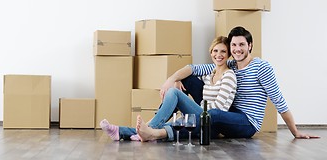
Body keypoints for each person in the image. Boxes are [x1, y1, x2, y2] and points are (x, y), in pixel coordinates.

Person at [159, 26, 319, 139]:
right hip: (228, 113)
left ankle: (163, 131)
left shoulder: (261, 67)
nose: (237, 49)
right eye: (234, 45)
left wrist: (295, 132)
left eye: (242, 44)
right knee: (189, 79)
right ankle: (158, 124)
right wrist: (173, 79)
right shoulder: (230, 64)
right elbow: (194, 68)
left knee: (212, 114)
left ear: (250, 46)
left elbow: (279, 101)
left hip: (247, 122)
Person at [100, 36, 237, 141]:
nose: (218, 55)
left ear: (228, 55)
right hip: (200, 117)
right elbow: (191, 72)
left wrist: (192, 109)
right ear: (211, 52)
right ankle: (120, 132)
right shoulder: (210, 73)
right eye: (215, 51)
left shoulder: (229, 76)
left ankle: (147, 127)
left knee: (173, 93)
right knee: (164, 127)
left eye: (223, 51)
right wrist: (177, 80)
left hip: (211, 123)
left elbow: (219, 109)